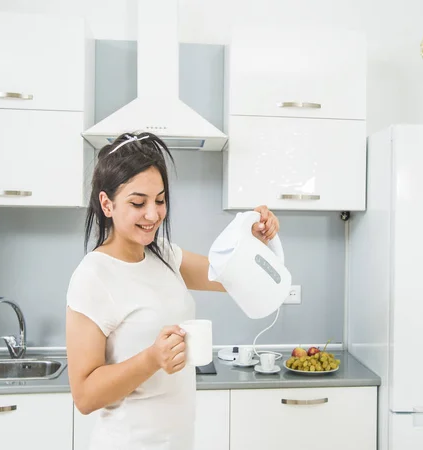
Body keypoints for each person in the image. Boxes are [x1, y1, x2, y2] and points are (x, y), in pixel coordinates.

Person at [65, 131, 279, 450]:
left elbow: (229, 277)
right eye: (138, 202)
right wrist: (152, 358)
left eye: (160, 200)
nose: (153, 214)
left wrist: (255, 239)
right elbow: (84, 396)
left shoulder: (163, 254)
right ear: (106, 203)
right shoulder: (93, 277)